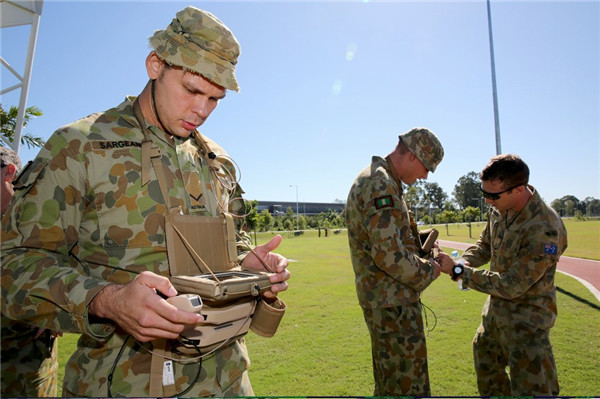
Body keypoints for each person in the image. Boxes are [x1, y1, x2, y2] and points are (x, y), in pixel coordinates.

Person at [1, 6, 290, 397]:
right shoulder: (81, 147)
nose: (202, 110)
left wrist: (246, 267)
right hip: (124, 385)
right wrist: (108, 300)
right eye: (191, 90)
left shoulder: (215, 160)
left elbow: (224, 254)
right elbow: (13, 266)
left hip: (228, 382)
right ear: (155, 64)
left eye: (215, 98)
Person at [437, 153, 567, 396]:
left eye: (493, 195)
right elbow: (485, 245)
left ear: (519, 190)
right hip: (494, 319)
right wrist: (461, 260)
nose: (487, 201)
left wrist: (458, 271)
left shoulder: (545, 227)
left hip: (527, 327)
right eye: (484, 193)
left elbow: (513, 285)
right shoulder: (499, 210)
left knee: (534, 391)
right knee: (489, 382)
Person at [345, 127, 444, 396]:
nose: (424, 176)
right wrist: (429, 270)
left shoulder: (382, 180)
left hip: (387, 302)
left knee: (391, 384)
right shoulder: (381, 184)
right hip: (393, 305)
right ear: (413, 155)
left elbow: (386, 236)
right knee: (408, 387)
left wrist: (419, 241)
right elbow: (388, 255)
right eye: (427, 167)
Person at [1, 147, 59, 397]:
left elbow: (70, 265)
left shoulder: (37, 217)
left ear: (9, 172)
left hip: (27, 359)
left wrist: (58, 309)